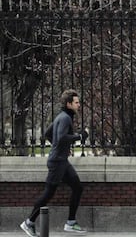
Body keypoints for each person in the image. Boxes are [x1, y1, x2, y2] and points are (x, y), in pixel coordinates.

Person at [20, 89, 88, 236]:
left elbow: (48, 134)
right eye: (76, 102)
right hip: (57, 162)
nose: (79, 105)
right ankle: (29, 222)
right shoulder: (65, 118)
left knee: (77, 187)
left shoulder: (61, 116)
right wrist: (79, 137)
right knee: (48, 194)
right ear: (69, 104)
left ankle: (70, 222)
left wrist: (60, 148)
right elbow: (62, 137)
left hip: (61, 160)